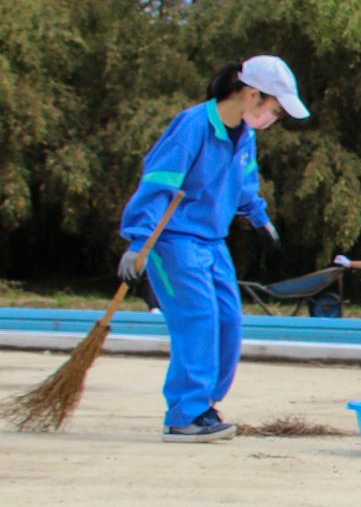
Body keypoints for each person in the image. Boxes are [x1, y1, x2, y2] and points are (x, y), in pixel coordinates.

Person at [118, 55, 307, 442]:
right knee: (198, 319)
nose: (274, 118)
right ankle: (185, 414)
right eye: (274, 109)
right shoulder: (193, 126)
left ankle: (205, 405)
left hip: (212, 240)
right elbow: (159, 182)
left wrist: (259, 217)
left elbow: (244, 182)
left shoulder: (245, 136)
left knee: (227, 320)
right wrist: (138, 240)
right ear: (252, 95)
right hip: (173, 240)